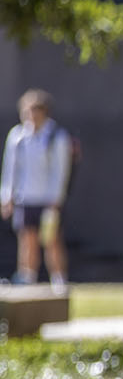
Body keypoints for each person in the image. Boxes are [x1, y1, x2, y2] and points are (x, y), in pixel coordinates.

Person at [1, 88, 74, 290]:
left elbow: (61, 170)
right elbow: (10, 168)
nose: (31, 115)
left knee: (51, 240)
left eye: (35, 110)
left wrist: (56, 199)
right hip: (25, 197)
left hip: (48, 199)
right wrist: (7, 196)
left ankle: (58, 279)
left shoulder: (56, 136)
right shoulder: (17, 136)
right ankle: (27, 277)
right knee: (27, 239)